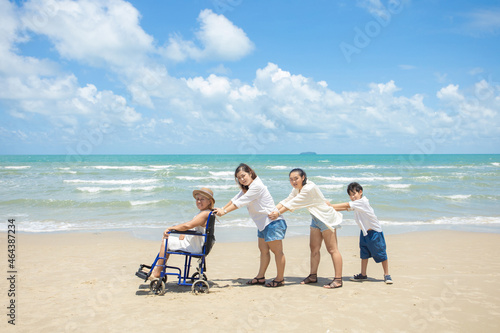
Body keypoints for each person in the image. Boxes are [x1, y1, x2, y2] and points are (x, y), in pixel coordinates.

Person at [214, 163, 287, 288]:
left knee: (277, 252)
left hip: (272, 223)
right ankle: (260, 277)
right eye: (239, 178)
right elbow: (235, 198)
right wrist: (221, 209)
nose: (242, 179)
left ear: (250, 173)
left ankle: (280, 279)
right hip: (263, 224)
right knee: (263, 251)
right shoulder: (248, 187)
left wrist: (224, 212)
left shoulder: (256, 187)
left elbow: (240, 202)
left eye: (243, 176)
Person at [269, 168, 344, 289]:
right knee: (314, 248)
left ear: (303, 177)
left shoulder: (309, 188)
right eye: (291, 179)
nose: (293, 181)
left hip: (326, 219)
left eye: (296, 178)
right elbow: (287, 200)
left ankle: (338, 280)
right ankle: (313, 276)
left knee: (332, 249)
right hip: (315, 219)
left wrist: (277, 213)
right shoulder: (297, 188)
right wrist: (273, 209)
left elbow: (292, 204)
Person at [327, 182, 393, 284]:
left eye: (354, 194)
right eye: (350, 195)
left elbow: (346, 205)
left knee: (381, 253)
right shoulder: (357, 204)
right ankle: (363, 274)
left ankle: (387, 275)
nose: (352, 197)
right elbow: (346, 208)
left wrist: (331, 205)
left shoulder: (362, 202)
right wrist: (330, 208)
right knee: (364, 253)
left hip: (375, 233)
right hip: (364, 232)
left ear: (360, 192)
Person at [148, 187, 215, 280]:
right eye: (197, 199)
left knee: (166, 240)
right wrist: (185, 233)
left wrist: (171, 228)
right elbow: (192, 226)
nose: (199, 201)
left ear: (209, 201)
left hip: (195, 246)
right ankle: (160, 268)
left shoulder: (205, 213)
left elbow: (188, 225)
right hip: (196, 243)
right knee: (169, 242)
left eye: (202, 199)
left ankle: (157, 271)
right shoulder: (205, 212)